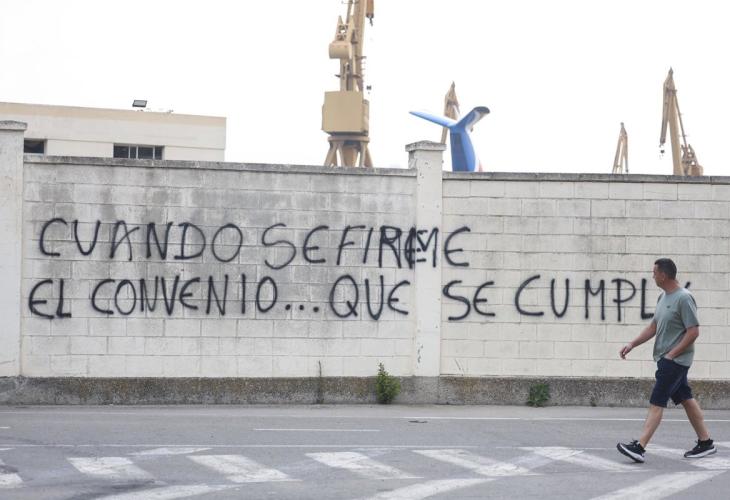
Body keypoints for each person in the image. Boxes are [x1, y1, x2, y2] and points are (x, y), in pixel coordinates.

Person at [616, 258, 715, 463]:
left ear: (663, 275)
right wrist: (632, 344)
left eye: (654, 273)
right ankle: (706, 442)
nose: (652, 276)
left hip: (675, 362)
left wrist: (672, 354)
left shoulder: (684, 298)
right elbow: (653, 327)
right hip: (667, 359)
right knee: (686, 399)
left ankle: (639, 447)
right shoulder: (663, 297)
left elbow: (693, 331)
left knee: (657, 401)